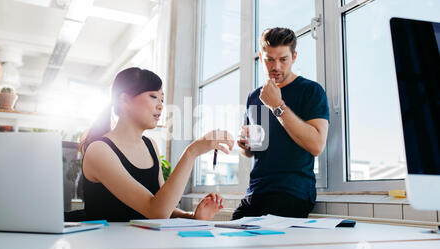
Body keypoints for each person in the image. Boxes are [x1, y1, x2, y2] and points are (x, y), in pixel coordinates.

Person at [76, 67, 234, 222]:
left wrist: (192, 216)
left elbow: (162, 205)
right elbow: (156, 211)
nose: (160, 105)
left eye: (162, 99)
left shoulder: (150, 145)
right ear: (124, 100)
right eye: (153, 96)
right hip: (104, 245)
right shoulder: (99, 150)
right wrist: (191, 152)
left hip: (143, 244)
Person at [233, 27, 330, 220]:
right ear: (261, 57)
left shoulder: (311, 90)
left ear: (294, 57)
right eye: (269, 59)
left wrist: (277, 105)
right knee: (232, 239)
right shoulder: (254, 96)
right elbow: (252, 150)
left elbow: (317, 145)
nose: (275, 66)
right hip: (255, 192)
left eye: (283, 59)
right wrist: (244, 144)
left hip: (292, 192)